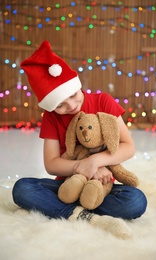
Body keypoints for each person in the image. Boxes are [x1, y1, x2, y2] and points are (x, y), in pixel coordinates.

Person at [12, 40, 147, 239]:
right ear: (50, 107)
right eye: (60, 105)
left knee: (136, 201)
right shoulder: (51, 117)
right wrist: (83, 167)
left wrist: (96, 161)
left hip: (102, 185)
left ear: (77, 84)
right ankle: (82, 215)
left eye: (73, 95)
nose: (72, 106)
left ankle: (56, 209)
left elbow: (128, 147)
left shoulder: (103, 101)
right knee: (22, 189)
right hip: (68, 187)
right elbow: (52, 165)